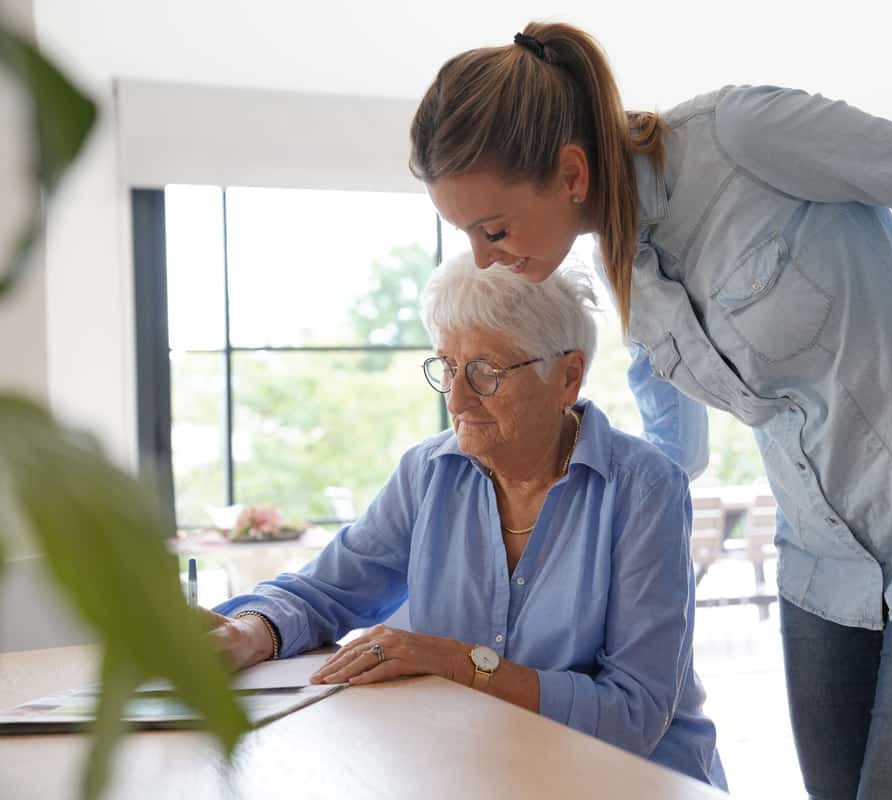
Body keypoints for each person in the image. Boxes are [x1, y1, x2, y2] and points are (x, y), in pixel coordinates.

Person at [409, 22, 892, 800]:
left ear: (571, 171)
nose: (482, 255)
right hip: (821, 569)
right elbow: (674, 452)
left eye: (493, 228)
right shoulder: (629, 278)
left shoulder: (741, 138)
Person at [204, 252, 727, 790]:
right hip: (481, 766)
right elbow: (322, 593)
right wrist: (249, 632)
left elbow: (632, 715)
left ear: (568, 377)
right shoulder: (429, 472)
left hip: (632, 782)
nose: (456, 397)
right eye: (448, 367)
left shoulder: (644, 487)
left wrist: (461, 664)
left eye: (485, 372)